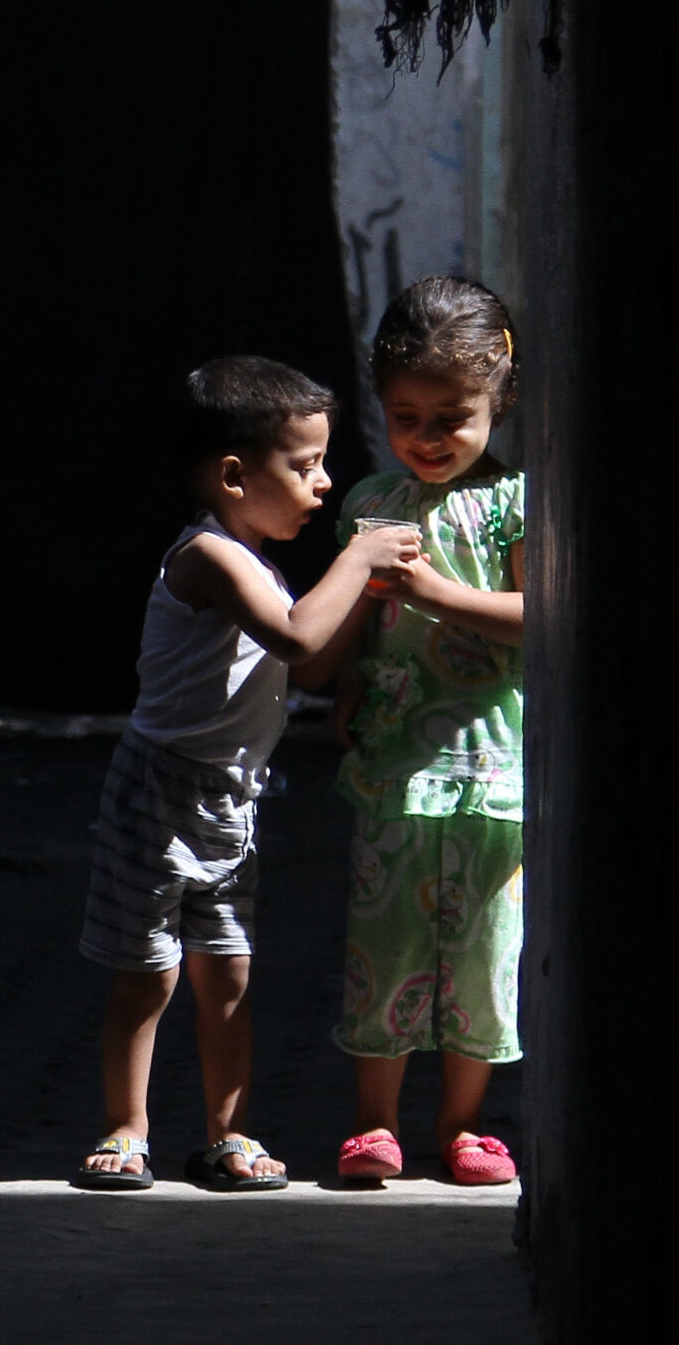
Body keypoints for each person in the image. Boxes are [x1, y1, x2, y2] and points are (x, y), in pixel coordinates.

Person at [73, 358, 421, 1192]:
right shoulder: (209, 557)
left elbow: (305, 669)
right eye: (305, 465)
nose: (324, 481)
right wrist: (363, 553)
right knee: (148, 973)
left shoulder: (258, 562)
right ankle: (127, 1126)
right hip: (159, 793)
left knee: (227, 975)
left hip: (230, 800)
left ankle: (229, 1132)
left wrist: (371, 596)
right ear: (234, 475)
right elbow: (299, 639)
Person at [328, 276, 527, 1185]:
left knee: (484, 955)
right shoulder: (373, 501)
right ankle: (374, 1122)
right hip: (399, 764)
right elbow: (358, 624)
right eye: (408, 415)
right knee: (386, 945)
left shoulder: (515, 501)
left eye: (453, 416)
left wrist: (438, 595)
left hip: (494, 767)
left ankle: (464, 1124)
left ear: (499, 398)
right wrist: (343, 690)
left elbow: (539, 615)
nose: (429, 437)